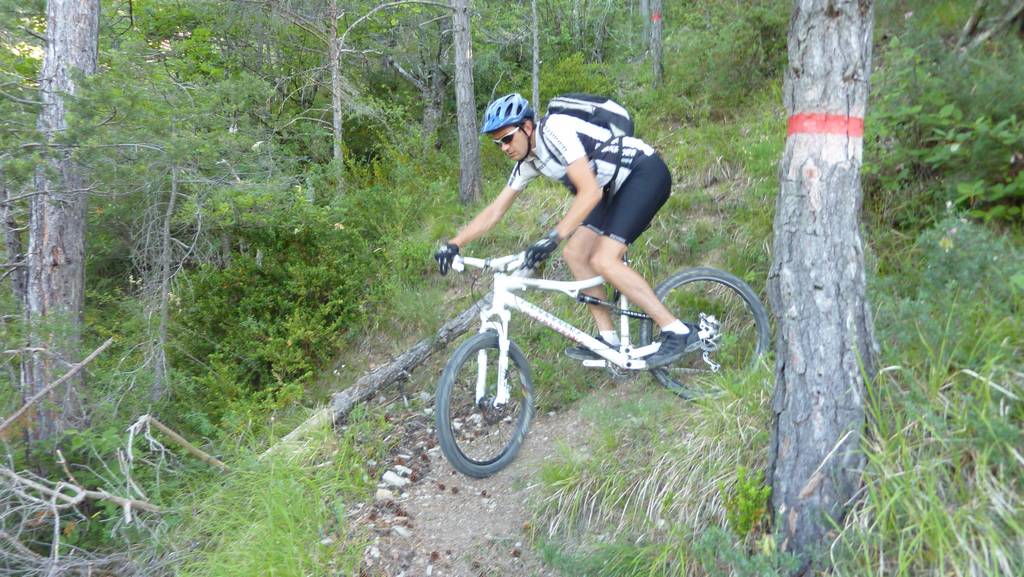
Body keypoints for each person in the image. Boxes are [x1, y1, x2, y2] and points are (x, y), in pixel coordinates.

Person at [434, 93, 696, 368]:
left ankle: (677, 331)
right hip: (611, 187)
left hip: (642, 172)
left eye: (507, 138)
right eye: (498, 142)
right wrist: (454, 243)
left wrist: (552, 237)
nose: (504, 147)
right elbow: (495, 211)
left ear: (526, 127)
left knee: (604, 260)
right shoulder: (528, 163)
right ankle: (608, 340)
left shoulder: (556, 129)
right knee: (575, 254)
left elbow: (589, 192)